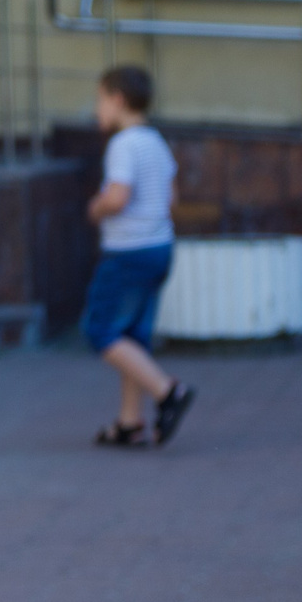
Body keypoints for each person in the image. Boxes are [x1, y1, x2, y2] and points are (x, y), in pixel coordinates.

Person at [82, 65, 197, 448]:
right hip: (159, 248)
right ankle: (129, 422)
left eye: (99, 100)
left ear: (117, 100)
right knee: (133, 336)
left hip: (126, 254)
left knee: (101, 330)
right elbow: (171, 197)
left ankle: (168, 391)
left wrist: (96, 207)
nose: (97, 109)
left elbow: (118, 197)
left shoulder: (123, 144)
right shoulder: (155, 142)